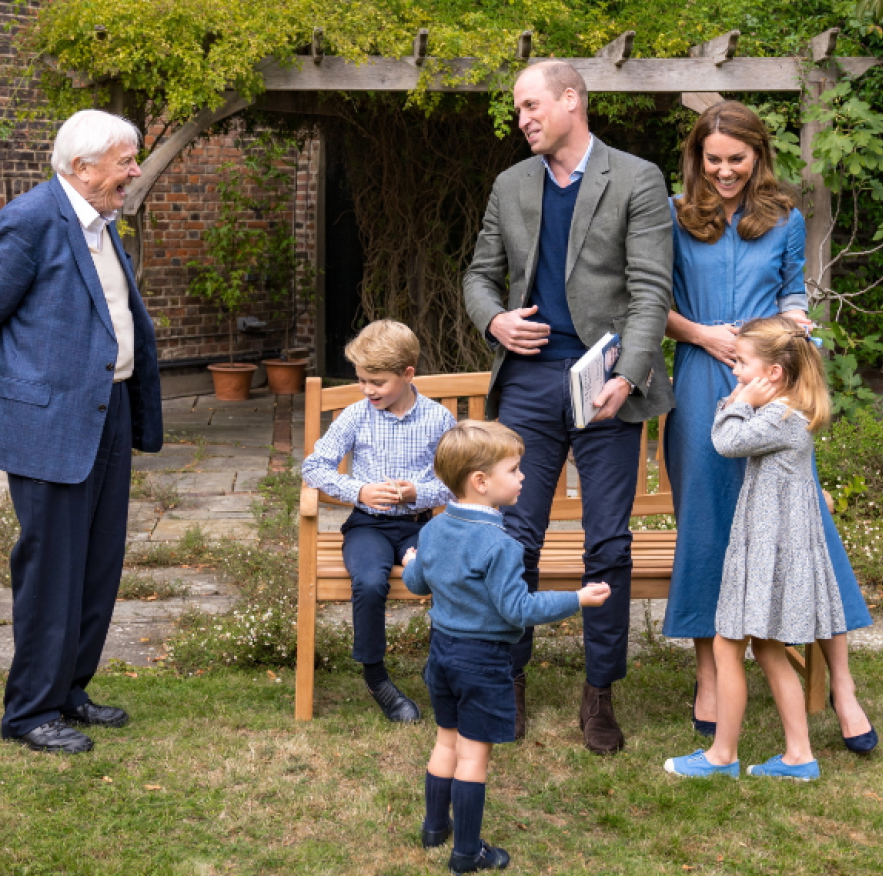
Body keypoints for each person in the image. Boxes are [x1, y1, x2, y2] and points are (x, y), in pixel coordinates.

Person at [463, 60, 674, 754]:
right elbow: (476, 275)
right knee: (513, 541)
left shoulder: (636, 178)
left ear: (570, 101)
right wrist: (494, 321)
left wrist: (630, 374)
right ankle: (510, 680)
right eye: (518, 109)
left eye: (530, 106)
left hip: (604, 385)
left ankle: (599, 693)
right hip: (526, 384)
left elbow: (649, 292)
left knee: (606, 543)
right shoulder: (510, 184)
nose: (521, 119)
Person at [661, 100, 877, 753]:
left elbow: (792, 291)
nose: (725, 172)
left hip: (772, 384)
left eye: (737, 159)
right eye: (714, 159)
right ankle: (708, 672)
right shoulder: (673, 215)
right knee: (706, 520)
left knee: (803, 521)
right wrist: (703, 335)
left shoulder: (782, 218)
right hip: (702, 381)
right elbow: (652, 302)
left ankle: (840, 686)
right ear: (697, 157)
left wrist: (793, 322)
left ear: (757, 155)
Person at [0, 109, 163, 754]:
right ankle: (29, 713)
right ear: (82, 168)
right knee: (51, 570)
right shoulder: (31, 219)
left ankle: (70, 690)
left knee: (98, 564)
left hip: (107, 412)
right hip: (48, 422)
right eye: (125, 161)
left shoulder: (101, 223)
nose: (134, 171)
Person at [402, 420, 611, 872]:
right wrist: (577, 598)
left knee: (445, 742)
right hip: (482, 661)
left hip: (441, 654)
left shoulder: (434, 530)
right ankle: (467, 853)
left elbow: (418, 582)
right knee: (473, 755)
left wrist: (410, 562)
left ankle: (434, 830)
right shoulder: (501, 545)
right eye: (514, 470)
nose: (522, 478)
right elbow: (517, 609)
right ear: (481, 482)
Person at [665, 316, 846, 780]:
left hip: (768, 551)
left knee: (728, 646)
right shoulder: (787, 412)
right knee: (766, 648)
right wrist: (744, 395)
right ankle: (799, 756)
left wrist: (739, 399)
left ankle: (721, 756)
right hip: (768, 546)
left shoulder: (779, 416)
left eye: (743, 364)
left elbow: (725, 441)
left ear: (774, 374)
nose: (736, 372)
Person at [301, 319, 456, 722]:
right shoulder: (356, 416)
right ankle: (377, 678)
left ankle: (438, 669)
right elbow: (314, 467)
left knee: (443, 575)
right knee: (369, 582)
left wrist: (416, 493)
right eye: (362, 381)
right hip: (368, 526)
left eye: (377, 382)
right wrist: (359, 491)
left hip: (421, 526)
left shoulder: (438, 420)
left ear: (408, 374)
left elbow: (457, 481)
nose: (368, 390)